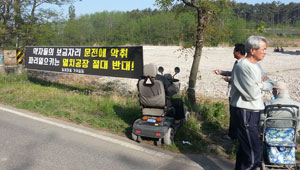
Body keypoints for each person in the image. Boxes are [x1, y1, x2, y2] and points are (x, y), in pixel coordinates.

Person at [230, 35, 274, 170]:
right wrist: (262, 85)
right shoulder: (243, 66)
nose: (265, 52)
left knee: (245, 152)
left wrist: (259, 84)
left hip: (254, 112)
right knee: (253, 155)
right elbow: (252, 94)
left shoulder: (257, 66)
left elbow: (270, 83)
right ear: (252, 50)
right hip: (245, 112)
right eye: (263, 49)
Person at [214, 43, 246, 140]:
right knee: (234, 114)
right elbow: (233, 73)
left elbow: (240, 79)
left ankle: (233, 135)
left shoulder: (243, 64)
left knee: (235, 114)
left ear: (238, 52)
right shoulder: (238, 62)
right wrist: (222, 72)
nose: (233, 53)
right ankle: (235, 134)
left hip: (236, 93)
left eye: (234, 51)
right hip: (234, 92)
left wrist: (229, 79)